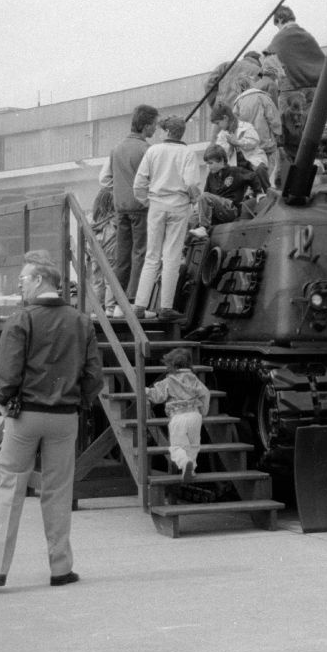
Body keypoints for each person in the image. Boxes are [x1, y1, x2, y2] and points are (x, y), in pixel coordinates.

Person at [0, 255, 103, 590]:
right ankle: (60, 569)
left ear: (39, 280)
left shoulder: (22, 320)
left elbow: (7, 371)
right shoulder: (82, 321)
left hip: (25, 415)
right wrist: (81, 403)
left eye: (23, 278)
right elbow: (93, 375)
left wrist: (7, 402)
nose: (19, 283)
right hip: (65, 417)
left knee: (11, 487)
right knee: (59, 491)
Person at [132, 117, 202, 319]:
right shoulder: (188, 153)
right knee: (171, 256)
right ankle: (166, 307)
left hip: (156, 204)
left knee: (152, 256)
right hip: (179, 205)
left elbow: (139, 183)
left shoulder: (153, 151)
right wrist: (193, 200)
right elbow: (191, 183)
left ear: (166, 132)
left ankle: (139, 305)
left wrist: (147, 201)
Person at [99, 104, 159, 305]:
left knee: (122, 255)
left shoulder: (116, 149)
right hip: (141, 208)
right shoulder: (147, 150)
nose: (155, 129)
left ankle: (116, 300)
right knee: (141, 252)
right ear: (146, 126)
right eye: (154, 125)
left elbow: (105, 179)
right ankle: (133, 298)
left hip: (121, 208)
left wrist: (120, 189)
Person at [263, 5, 327, 175]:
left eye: (276, 24)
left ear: (280, 20)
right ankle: (318, 164)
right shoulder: (308, 36)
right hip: (315, 90)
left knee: (290, 132)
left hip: (291, 90)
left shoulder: (280, 38)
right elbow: (323, 61)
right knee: (312, 130)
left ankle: (289, 172)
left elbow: (267, 63)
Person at [146, 348, 211, 480]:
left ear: (171, 365)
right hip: (195, 416)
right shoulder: (194, 380)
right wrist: (203, 411)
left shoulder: (169, 381)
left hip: (178, 416)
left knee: (177, 447)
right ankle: (190, 469)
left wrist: (145, 391)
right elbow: (205, 393)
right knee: (193, 445)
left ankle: (184, 463)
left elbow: (157, 396)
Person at [190, 145, 263, 238]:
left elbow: (253, 176)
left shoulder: (235, 172)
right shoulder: (211, 176)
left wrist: (259, 193)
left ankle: (204, 228)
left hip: (231, 210)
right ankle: (186, 247)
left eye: (210, 163)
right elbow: (205, 198)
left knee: (204, 196)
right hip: (216, 212)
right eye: (207, 163)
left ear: (221, 161)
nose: (208, 166)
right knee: (192, 219)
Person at [233, 74, 283, 183]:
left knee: (253, 171)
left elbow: (234, 126)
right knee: (268, 171)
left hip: (248, 145)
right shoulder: (263, 97)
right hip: (266, 142)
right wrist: (277, 133)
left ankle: (255, 191)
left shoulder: (237, 103)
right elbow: (273, 118)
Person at [88, 187, 119, 316]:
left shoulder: (92, 219)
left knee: (97, 281)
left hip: (94, 252)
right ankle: (110, 308)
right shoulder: (114, 219)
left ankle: (96, 309)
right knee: (110, 280)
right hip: (110, 251)